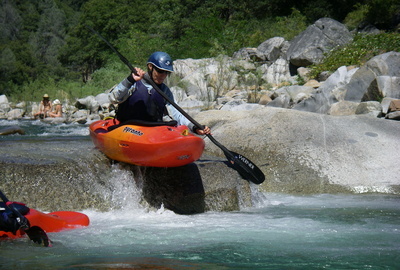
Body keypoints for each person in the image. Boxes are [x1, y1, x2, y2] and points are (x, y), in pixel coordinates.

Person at [108, 52, 211, 135]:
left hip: (152, 129)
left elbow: (177, 115)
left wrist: (194, 127)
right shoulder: (134, 83)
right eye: (160, 71)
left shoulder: (165, 91)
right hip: (127, 127)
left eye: (167, 72)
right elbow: (113, 98)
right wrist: (130, 80)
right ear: (150, 67)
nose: (163, 75)